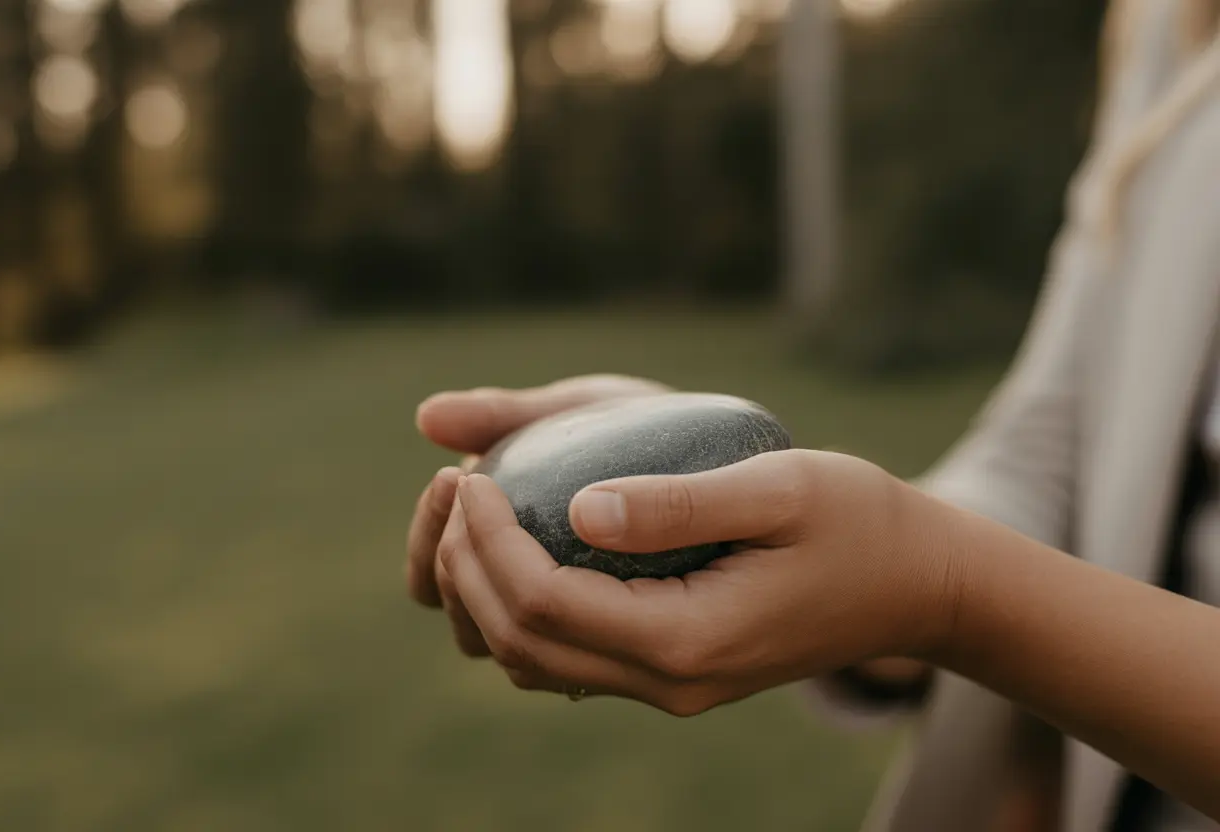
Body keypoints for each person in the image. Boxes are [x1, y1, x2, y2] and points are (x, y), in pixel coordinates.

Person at [403, 1, 1220, 829]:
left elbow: (960, 574)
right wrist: (778, 515)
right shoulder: (1173, 20)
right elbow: (1048, 453)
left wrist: (947, 591)